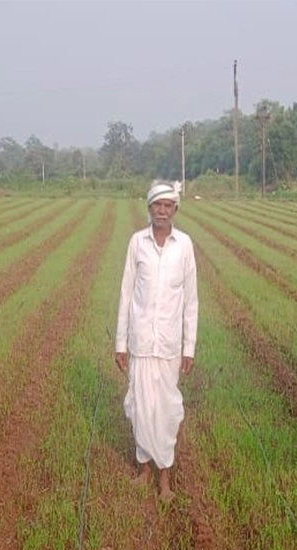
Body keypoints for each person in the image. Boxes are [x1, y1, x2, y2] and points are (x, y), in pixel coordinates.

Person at [115, 180, 199, 503]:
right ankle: (144, 470)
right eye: (157, 206)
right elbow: (126, 295)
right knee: (139, 408)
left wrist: (188, 347)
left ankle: (165, 478)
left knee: (165, 412)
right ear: (149, 208)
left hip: (168, 347)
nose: (162, 211)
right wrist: (121, 343)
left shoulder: (185, 246)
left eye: (168, 206)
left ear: (175, 209)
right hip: (140, 344)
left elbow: (191, 300)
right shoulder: (137, 243)